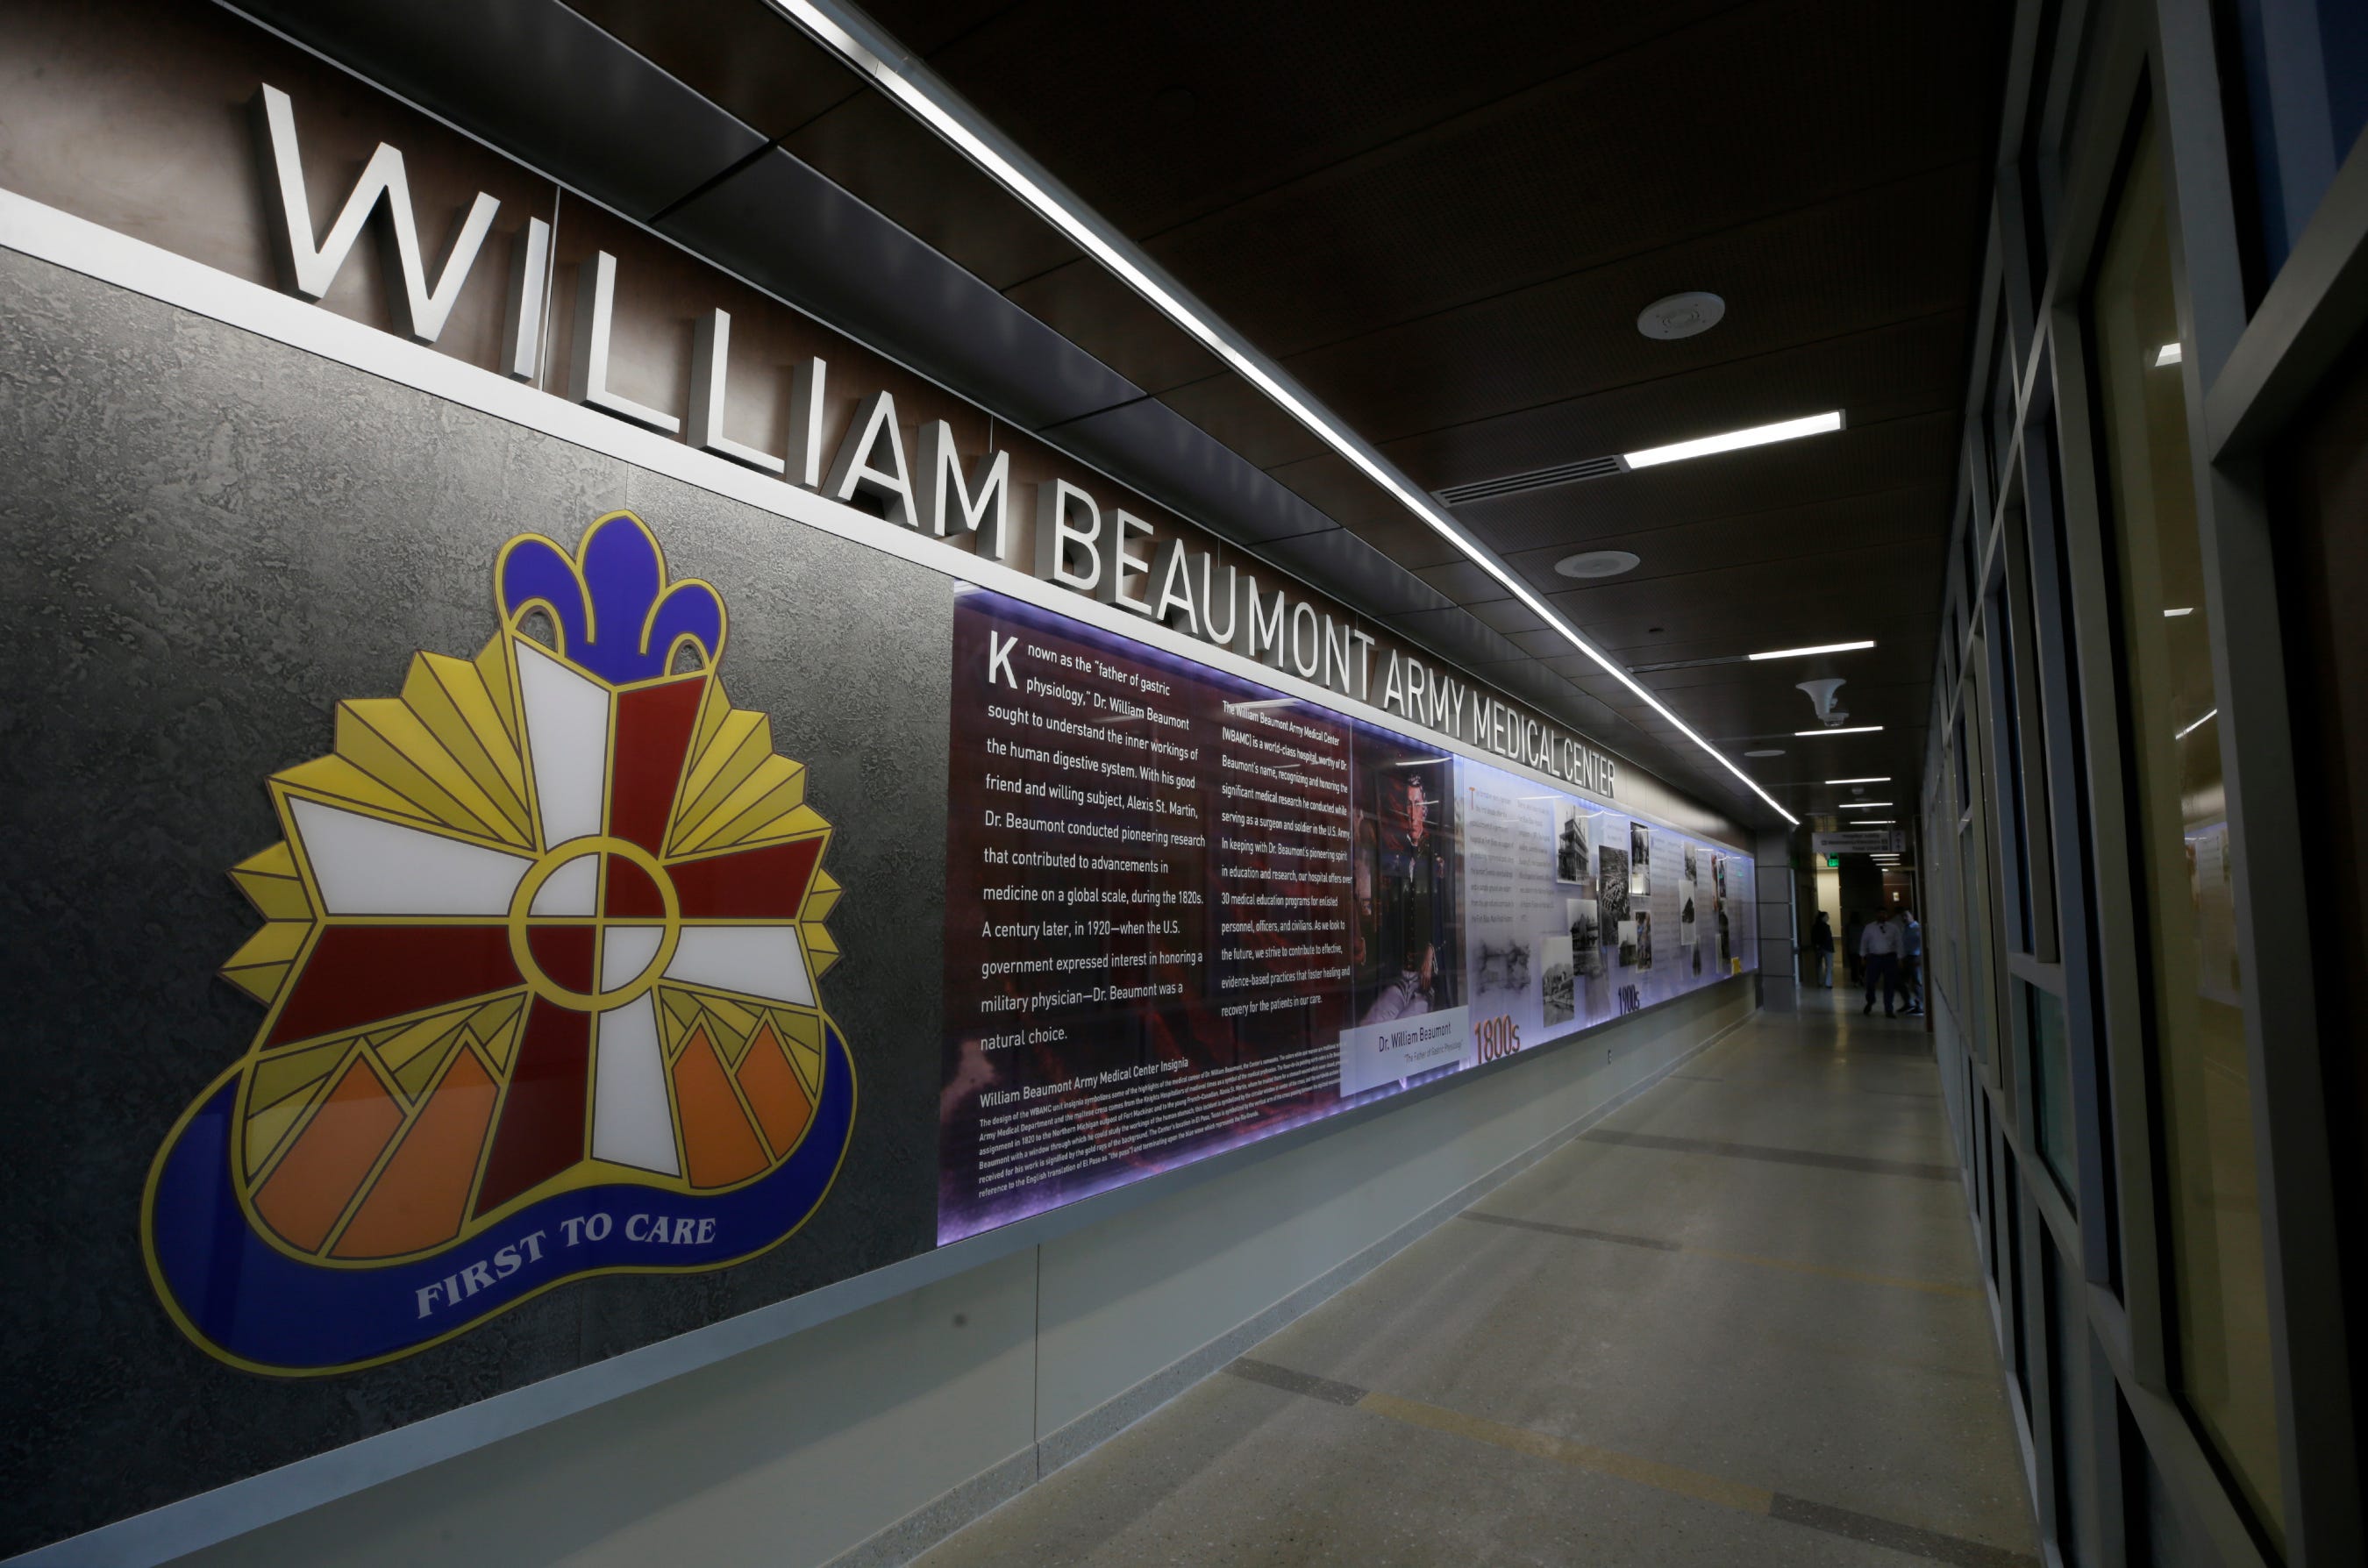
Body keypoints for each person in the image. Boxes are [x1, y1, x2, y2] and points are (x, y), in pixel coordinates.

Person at [1859, 909, 1906, 1016]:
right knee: (1870, 982)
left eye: (1884, 913)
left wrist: (1900, 958)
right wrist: (1862, 956)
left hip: (1889, 958)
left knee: (1889, 984)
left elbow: (1899, 943)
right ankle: (1870, 1001)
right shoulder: (1869, 928)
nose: (1882, 915)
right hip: (1874, 958)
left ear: (1887, 915)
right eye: (1879, 913)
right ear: (1876, 915)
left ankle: (1888, 1008)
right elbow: (1864, 942)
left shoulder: (1893, 928)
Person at [1900, 906, 1924, 1016]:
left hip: (1915, 958)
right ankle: (1908, 1003)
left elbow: (1922, 945)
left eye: (1906, 915)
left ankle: (1920, 1005)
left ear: (1912, 916)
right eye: (1902, 916)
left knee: (1917, 983)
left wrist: (1920, 958)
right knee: (1902, 982)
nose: (1904, 918)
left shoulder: (1917, 928)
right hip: (1906, 958)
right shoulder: (1905, 928)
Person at [1810, 910, 1836, 987]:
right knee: (1829, 966)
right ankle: (1828, 983)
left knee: (1819, 966)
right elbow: (1827, 938)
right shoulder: (1826, 927)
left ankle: (1820, 982)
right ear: (1822, 917)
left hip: (1818, 948)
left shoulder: (1814, 926)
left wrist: (1817, 944)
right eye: (1827, 916)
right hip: (1827, 948)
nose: (1828, 918)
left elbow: (1812, 937)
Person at [1843, 911, 1865, 987]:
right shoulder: (1862, 926)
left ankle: (1855, 981)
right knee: (1862, 965)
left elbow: (1847, 936)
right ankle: (1861, 976)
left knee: (1853, 966)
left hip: (1851, 948)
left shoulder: (1848, 926)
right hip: (1861, 948)